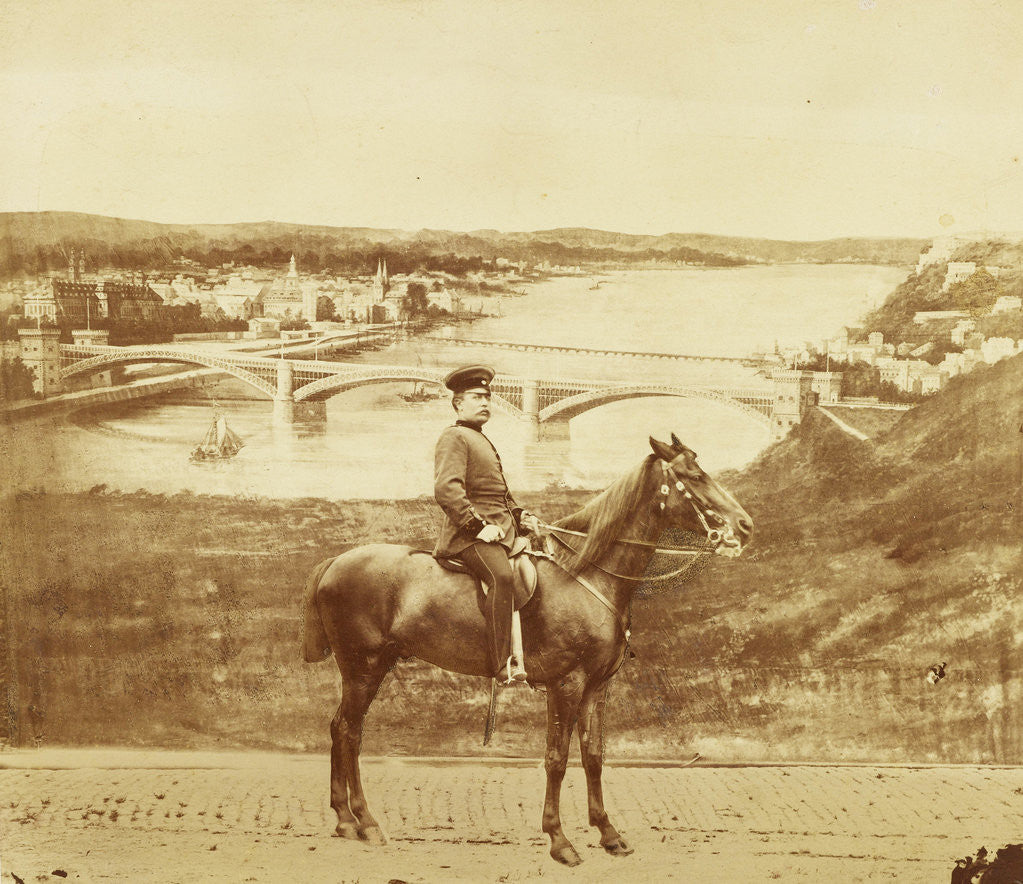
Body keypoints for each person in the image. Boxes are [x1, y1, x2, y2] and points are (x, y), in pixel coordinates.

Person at [433, 364, 541, 682]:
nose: (484, 403)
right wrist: (478, 527)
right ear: (458, 403)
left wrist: (521, 517)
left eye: (487, 397)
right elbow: (447, 491)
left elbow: (498, 494)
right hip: (468, 538)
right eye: (476, 396)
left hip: (500, 533)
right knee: (502, 577)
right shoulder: (455, 437)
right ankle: (501, 662)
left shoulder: (481, 439)